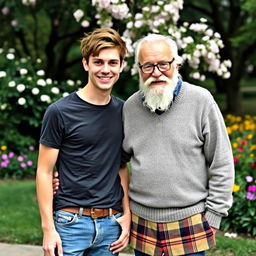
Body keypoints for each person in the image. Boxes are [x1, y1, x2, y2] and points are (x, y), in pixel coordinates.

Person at [121, 34, 234, 256]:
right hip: (142, 220)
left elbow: (222, 162)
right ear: (139, 69)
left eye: (163, 64)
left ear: (177, 64)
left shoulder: (201, 100)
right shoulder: (130, 107)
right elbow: (116, 161)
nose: (156, 72)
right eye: (148, 66)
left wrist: (214, 216)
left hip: (190, 219)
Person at [36, 27, 131, 256]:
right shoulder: (59, 111)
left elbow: (121, 166)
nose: (105, 69)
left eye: (112, 62)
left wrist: (126, 215)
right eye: (98, 62)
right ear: (86, 64)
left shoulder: (124, 111)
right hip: (70, 224)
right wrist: (48, 228)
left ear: (121, 66)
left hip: (110, 225)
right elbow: (44, 172)